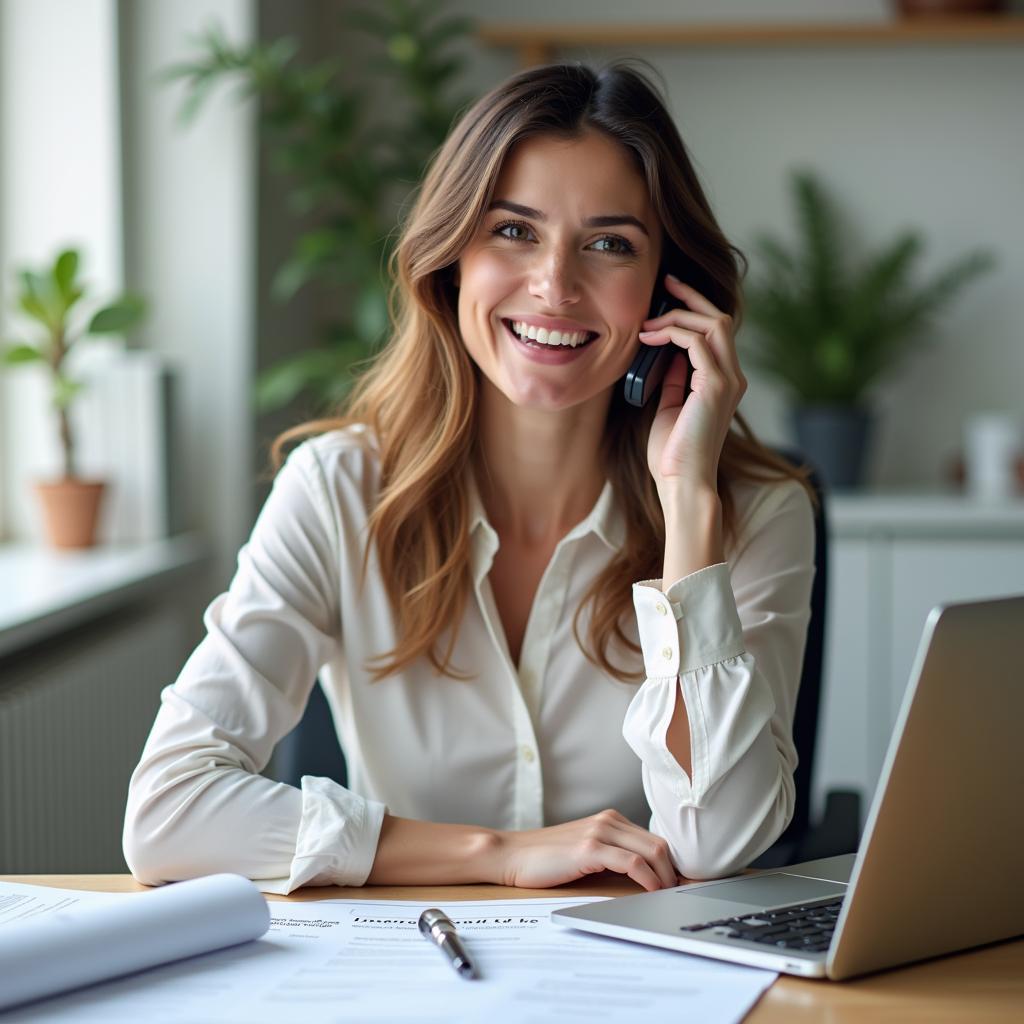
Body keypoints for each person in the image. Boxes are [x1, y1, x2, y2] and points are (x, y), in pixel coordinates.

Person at [123, 60, 817, 896]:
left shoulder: (753, 514)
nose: (555, 286)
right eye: (513, 231)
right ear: (452, 259)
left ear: (669, 294)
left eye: (609, 244)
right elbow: (167, 812)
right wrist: (499, 853)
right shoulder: (337, 489)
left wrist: (689, 505)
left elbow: (719, 844)